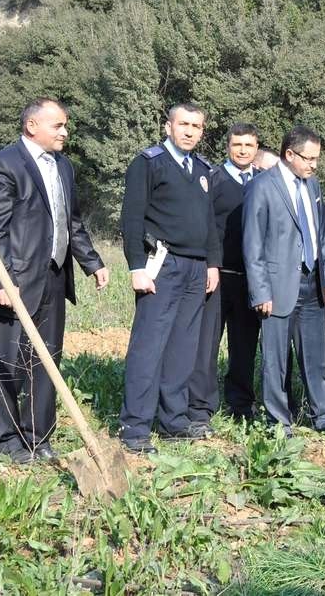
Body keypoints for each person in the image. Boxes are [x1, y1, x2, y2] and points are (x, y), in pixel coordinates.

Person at [0, 98, 108, 464]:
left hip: (54, 276)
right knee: (6, 359)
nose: (65, 132)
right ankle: (0, 442)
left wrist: (93, 263)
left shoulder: (64, 166)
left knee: (46, 359)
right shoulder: (3, 163)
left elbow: (73, 222)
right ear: (32, 126)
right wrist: (1, 279)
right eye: (58, 126)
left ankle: (38, 437)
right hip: (14, 281)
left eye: (65, 125)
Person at [118, 103, 221, 453]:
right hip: (161, 265)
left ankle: (174, 421)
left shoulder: (204, 169)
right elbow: (131, 218)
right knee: (149, 347)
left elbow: (209, 223)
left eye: (197, 126)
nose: (190, 131)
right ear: (168, 127)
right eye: (184, 124)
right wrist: (135, 267)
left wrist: (212, 263)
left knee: (183, 348)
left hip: (195, 268)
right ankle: (135, 428)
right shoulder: (149, 163)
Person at [243, 125, 325, 433]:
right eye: (308, 158)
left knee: (315, 355)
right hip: (277, 285)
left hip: (312, 282)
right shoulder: (263, 186)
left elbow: (321, 233)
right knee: (275, 360)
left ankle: (323, 416)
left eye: (317, 159)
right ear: (289, 154)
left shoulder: (312, 185)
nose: (313, 165)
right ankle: (278, 421)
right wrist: (260, 291)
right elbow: (253, 243)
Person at [188, 123, 268, 424]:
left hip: (251, 278)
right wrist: (211, 264)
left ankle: (241, 407)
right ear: (228, 147)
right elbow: (204, 226)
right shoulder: (213, 180)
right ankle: (200, 408)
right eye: (238, 145)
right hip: (217, 276)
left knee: (244, 346)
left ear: (257, 148)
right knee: (206, 344)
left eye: (249, 145)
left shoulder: (264, 182)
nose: (244, 150)